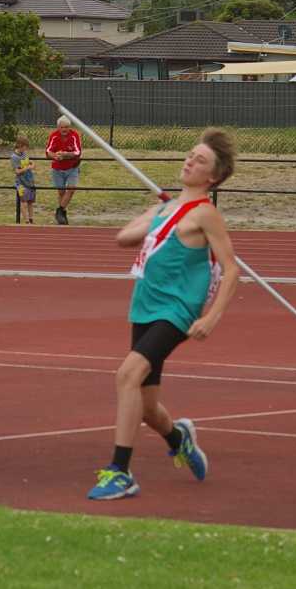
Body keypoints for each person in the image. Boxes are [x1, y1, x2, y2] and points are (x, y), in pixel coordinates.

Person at [87, 128, 240, 501]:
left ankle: (120, 472)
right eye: (190, 155)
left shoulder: (205, 214)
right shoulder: (163, 209)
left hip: (176, 310)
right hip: (144, 305)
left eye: (200, 160)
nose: (190, 161)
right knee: (148, 407)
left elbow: (232, 269)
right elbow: (123, 238)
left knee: (127, 375)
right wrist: (158, 214)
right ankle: (178, 437)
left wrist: (211, 317)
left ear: (213, 177)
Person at [45, 115, 82, 225]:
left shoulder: (75, 135)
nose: (64, 129)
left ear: (69, 127)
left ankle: (59, 211)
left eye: (66, 127)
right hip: (57, 168)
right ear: (58, 127)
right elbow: (48, 152)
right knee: (61, 192)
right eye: (62, 127)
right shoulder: (54, 136)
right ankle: (62, 215)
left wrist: (66, 155)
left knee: (71, 189)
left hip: (72, 167)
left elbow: (78, 152)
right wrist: (55, 156)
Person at [11, 135, 36, 224]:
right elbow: (17, 171)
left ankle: (31, 219)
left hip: (29, 181)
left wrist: (32, 164)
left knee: (30, 201)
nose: (25, 150)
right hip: (20, 183)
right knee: (23, 201)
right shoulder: (14, 157)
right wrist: (28, 168)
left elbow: (28, 162)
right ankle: (26, 221)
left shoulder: (25, 154)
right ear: (20, 145)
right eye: (24, 147)